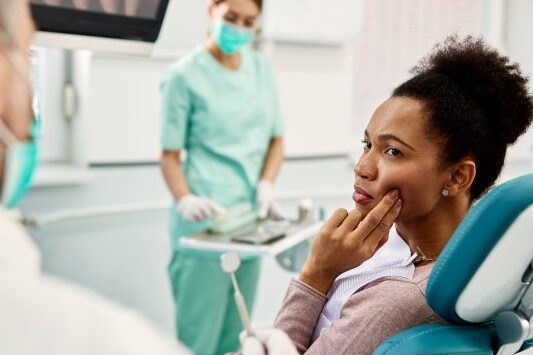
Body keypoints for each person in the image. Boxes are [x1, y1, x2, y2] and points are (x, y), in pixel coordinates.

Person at [265, 36, 533, 354]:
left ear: (458, 176)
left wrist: (316, 272)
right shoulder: (404, 252)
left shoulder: (403, 299)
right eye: (367, 145)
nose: (363, 168)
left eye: (393, 151)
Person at [159, 0, 284, 353]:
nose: (239, 28)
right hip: (204, 228)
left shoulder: (261, 69)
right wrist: (185, 199)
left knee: (237, 337)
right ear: (211, 10)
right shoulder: (184, 75)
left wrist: (266, 185)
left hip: (249, 226)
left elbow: (277, 139)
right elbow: (169, 156)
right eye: (231, 18)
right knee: (198, 342)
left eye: (249, 22)